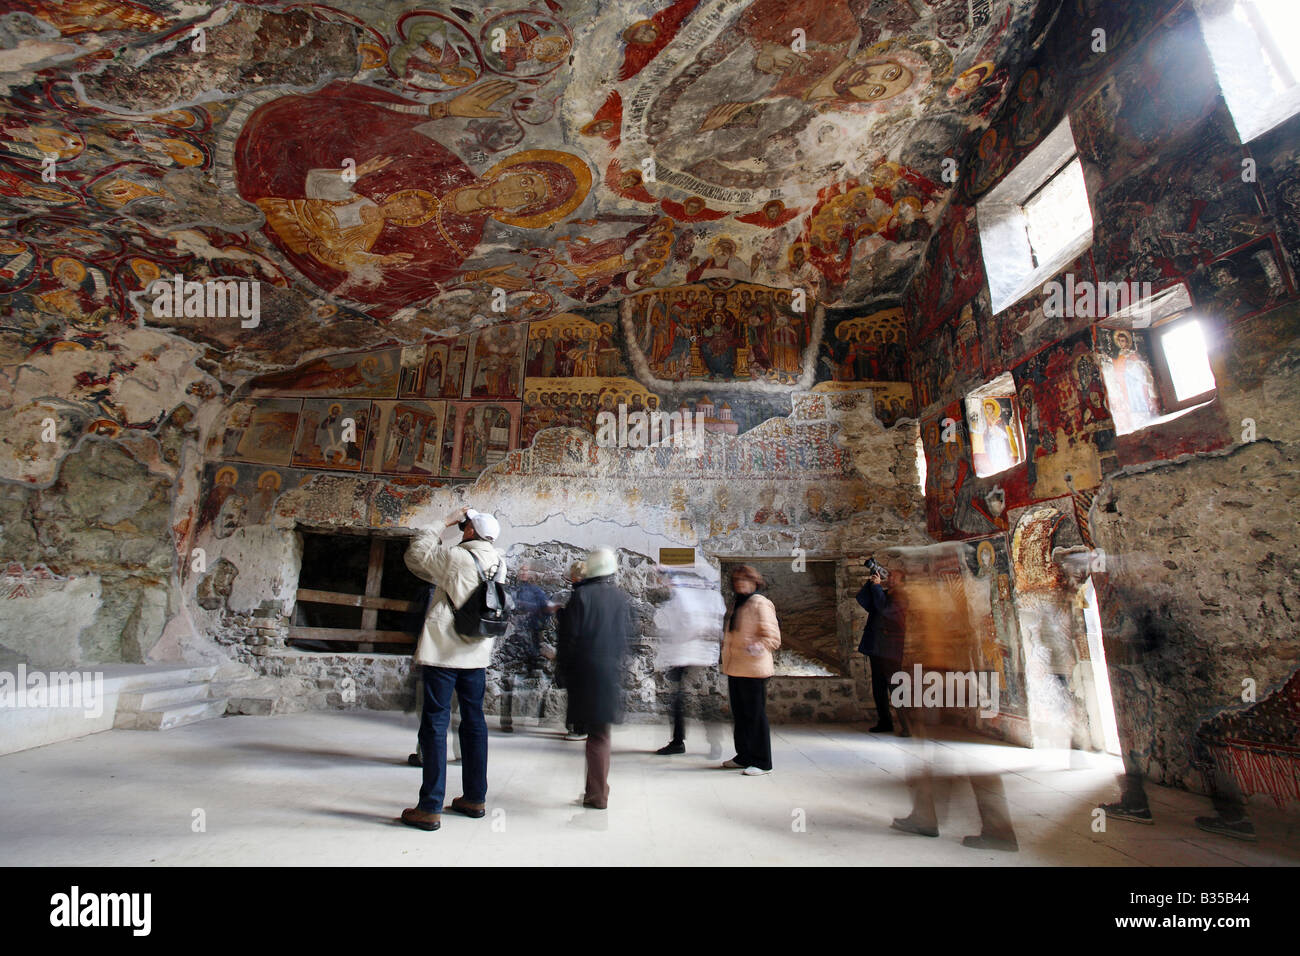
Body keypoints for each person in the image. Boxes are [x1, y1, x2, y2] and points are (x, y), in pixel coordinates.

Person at [399, 506, 506, 831]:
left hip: (444, 653)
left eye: (465, 526)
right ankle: (475, 797)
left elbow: (416, 555)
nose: (463, 529)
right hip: (476, 653)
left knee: (435, 722)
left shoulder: (455, 557)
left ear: (471, 530)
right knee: (474, 722)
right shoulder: (500, 561)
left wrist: (443, 522)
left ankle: (430, 806)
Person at [555, 548, 631, 809]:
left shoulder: (581, 596)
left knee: (593, 736)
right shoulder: (620, 597)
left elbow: (569, 640)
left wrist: (563, 672)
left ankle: (597, 795)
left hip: (585, 672)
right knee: (601, 735)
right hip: (609, 672)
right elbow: (625, 638)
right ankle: (597, 792)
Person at [653, 565, 725, 757]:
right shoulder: (711, 595)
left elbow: (685, 623)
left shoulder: (683, 595)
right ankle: (709, 742)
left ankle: (682, 741)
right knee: (694, 699)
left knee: (688, 699)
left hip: (687, 652)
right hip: (701, 652)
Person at [720, 565, 781, 775]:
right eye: (736, 580)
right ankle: (744, 755)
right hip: (736, 667)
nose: (740, 583)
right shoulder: (738, 603)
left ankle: (763, 762)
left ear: (755, 581)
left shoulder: (760, 604)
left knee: (755, 715)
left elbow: (772, 637)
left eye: (744, 580)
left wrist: (759, 646)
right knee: (740, 715)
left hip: (754, 669)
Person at [499, 562, 554, 734]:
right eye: (521, 570)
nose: (522, 573)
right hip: (514, 641)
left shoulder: (537, 592)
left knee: (536, 679)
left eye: (526, 570)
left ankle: (536, 717)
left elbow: (546, 612)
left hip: (530, 640)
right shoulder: (512, 589)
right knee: (508, 680)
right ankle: (506, 720)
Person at [856, 556, 905, 735]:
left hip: (890, 650)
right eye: (889, 576)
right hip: (877, 648)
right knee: (878, 688)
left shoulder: (902, 598)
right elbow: (864, 601)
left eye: (894, 577)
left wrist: (877, 587)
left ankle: (906, 724)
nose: (889, 578)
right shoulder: (886, 593)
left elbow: (885, 610)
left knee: (896, 687)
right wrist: (872, 584)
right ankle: (885, 721)